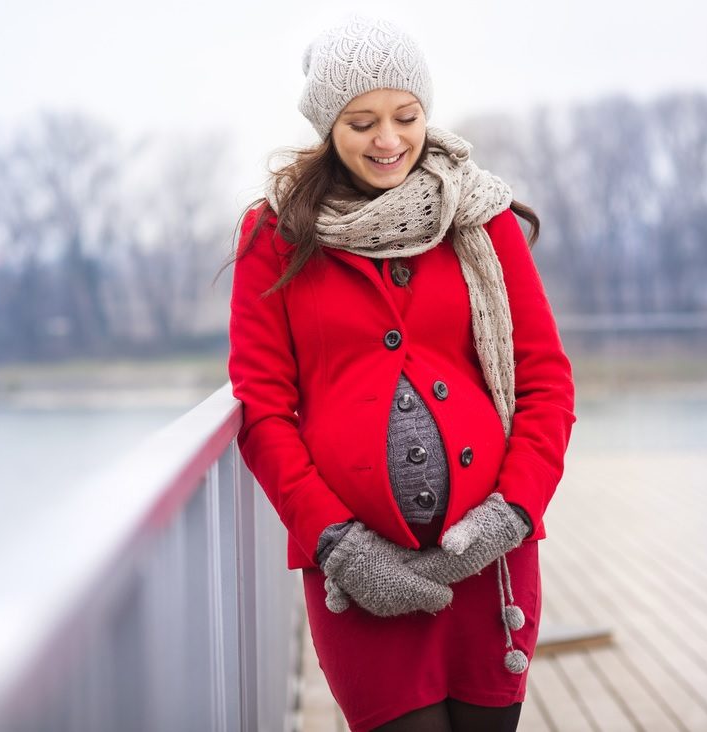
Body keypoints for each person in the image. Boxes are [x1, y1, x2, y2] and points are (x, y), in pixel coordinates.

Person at [225, 15, 576, 732]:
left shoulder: (482, 219)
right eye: (361, 122)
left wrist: (511, 513)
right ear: (327, 126)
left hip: (490, 569)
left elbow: (546, 381)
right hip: (358, 581)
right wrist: (335, 543)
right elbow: (262, 408)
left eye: (405, 116)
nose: (388, 140)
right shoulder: (276, 234)